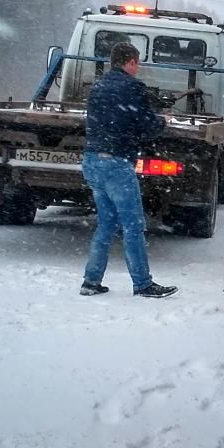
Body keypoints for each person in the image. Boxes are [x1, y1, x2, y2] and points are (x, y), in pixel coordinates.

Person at [80, 40, 178, 298]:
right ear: (131, 62)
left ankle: (91, 281)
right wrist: (161, 121)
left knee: (106, 224)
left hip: (92, 161)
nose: (139, 69)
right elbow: (145, 126)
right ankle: (143, 284)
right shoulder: (133, 87)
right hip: (116, 164)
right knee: (133, 226)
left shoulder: (98, 86)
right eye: (138, 64)